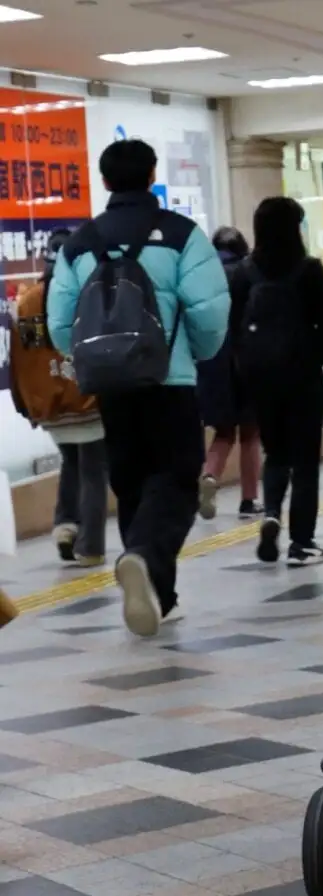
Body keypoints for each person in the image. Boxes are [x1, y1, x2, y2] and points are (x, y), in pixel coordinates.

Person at [47, 139, 230, 635]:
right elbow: (209, 310)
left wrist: (96, 357)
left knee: (130, 482)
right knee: (175, 479)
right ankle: (143, 557)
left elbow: (61, 322)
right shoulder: (180, 235)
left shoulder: (79, 242)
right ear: (152, 175)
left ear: (104, 181)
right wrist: (197, 351)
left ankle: (161, 596)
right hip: (169, 381)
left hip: (111, 386)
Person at [229, 197, 323, 567]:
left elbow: (232, 328)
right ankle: (301, 542)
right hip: (304, 378)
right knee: (305, 462)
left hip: (261, 380)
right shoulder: (308, 270)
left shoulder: (245, 273)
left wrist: (247, 367)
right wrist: (316, 356)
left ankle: (272, 512)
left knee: (275, 453)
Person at [8, 228, 110, 567]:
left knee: (72, 461)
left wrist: (26, 405)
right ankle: (90, 545)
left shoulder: (29, 301)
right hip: (88, 398)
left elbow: (23, 357)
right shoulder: (88, 295)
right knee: (94, 470)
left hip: (51, 404)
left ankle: (66, 525)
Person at [197, 226, 262, 521]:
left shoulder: (205, 278)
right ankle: (249, 501)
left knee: (224, 432)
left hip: (212, 364)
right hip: (247, 362)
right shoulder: (249, 273)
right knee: (250, 433)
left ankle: (210, 475)